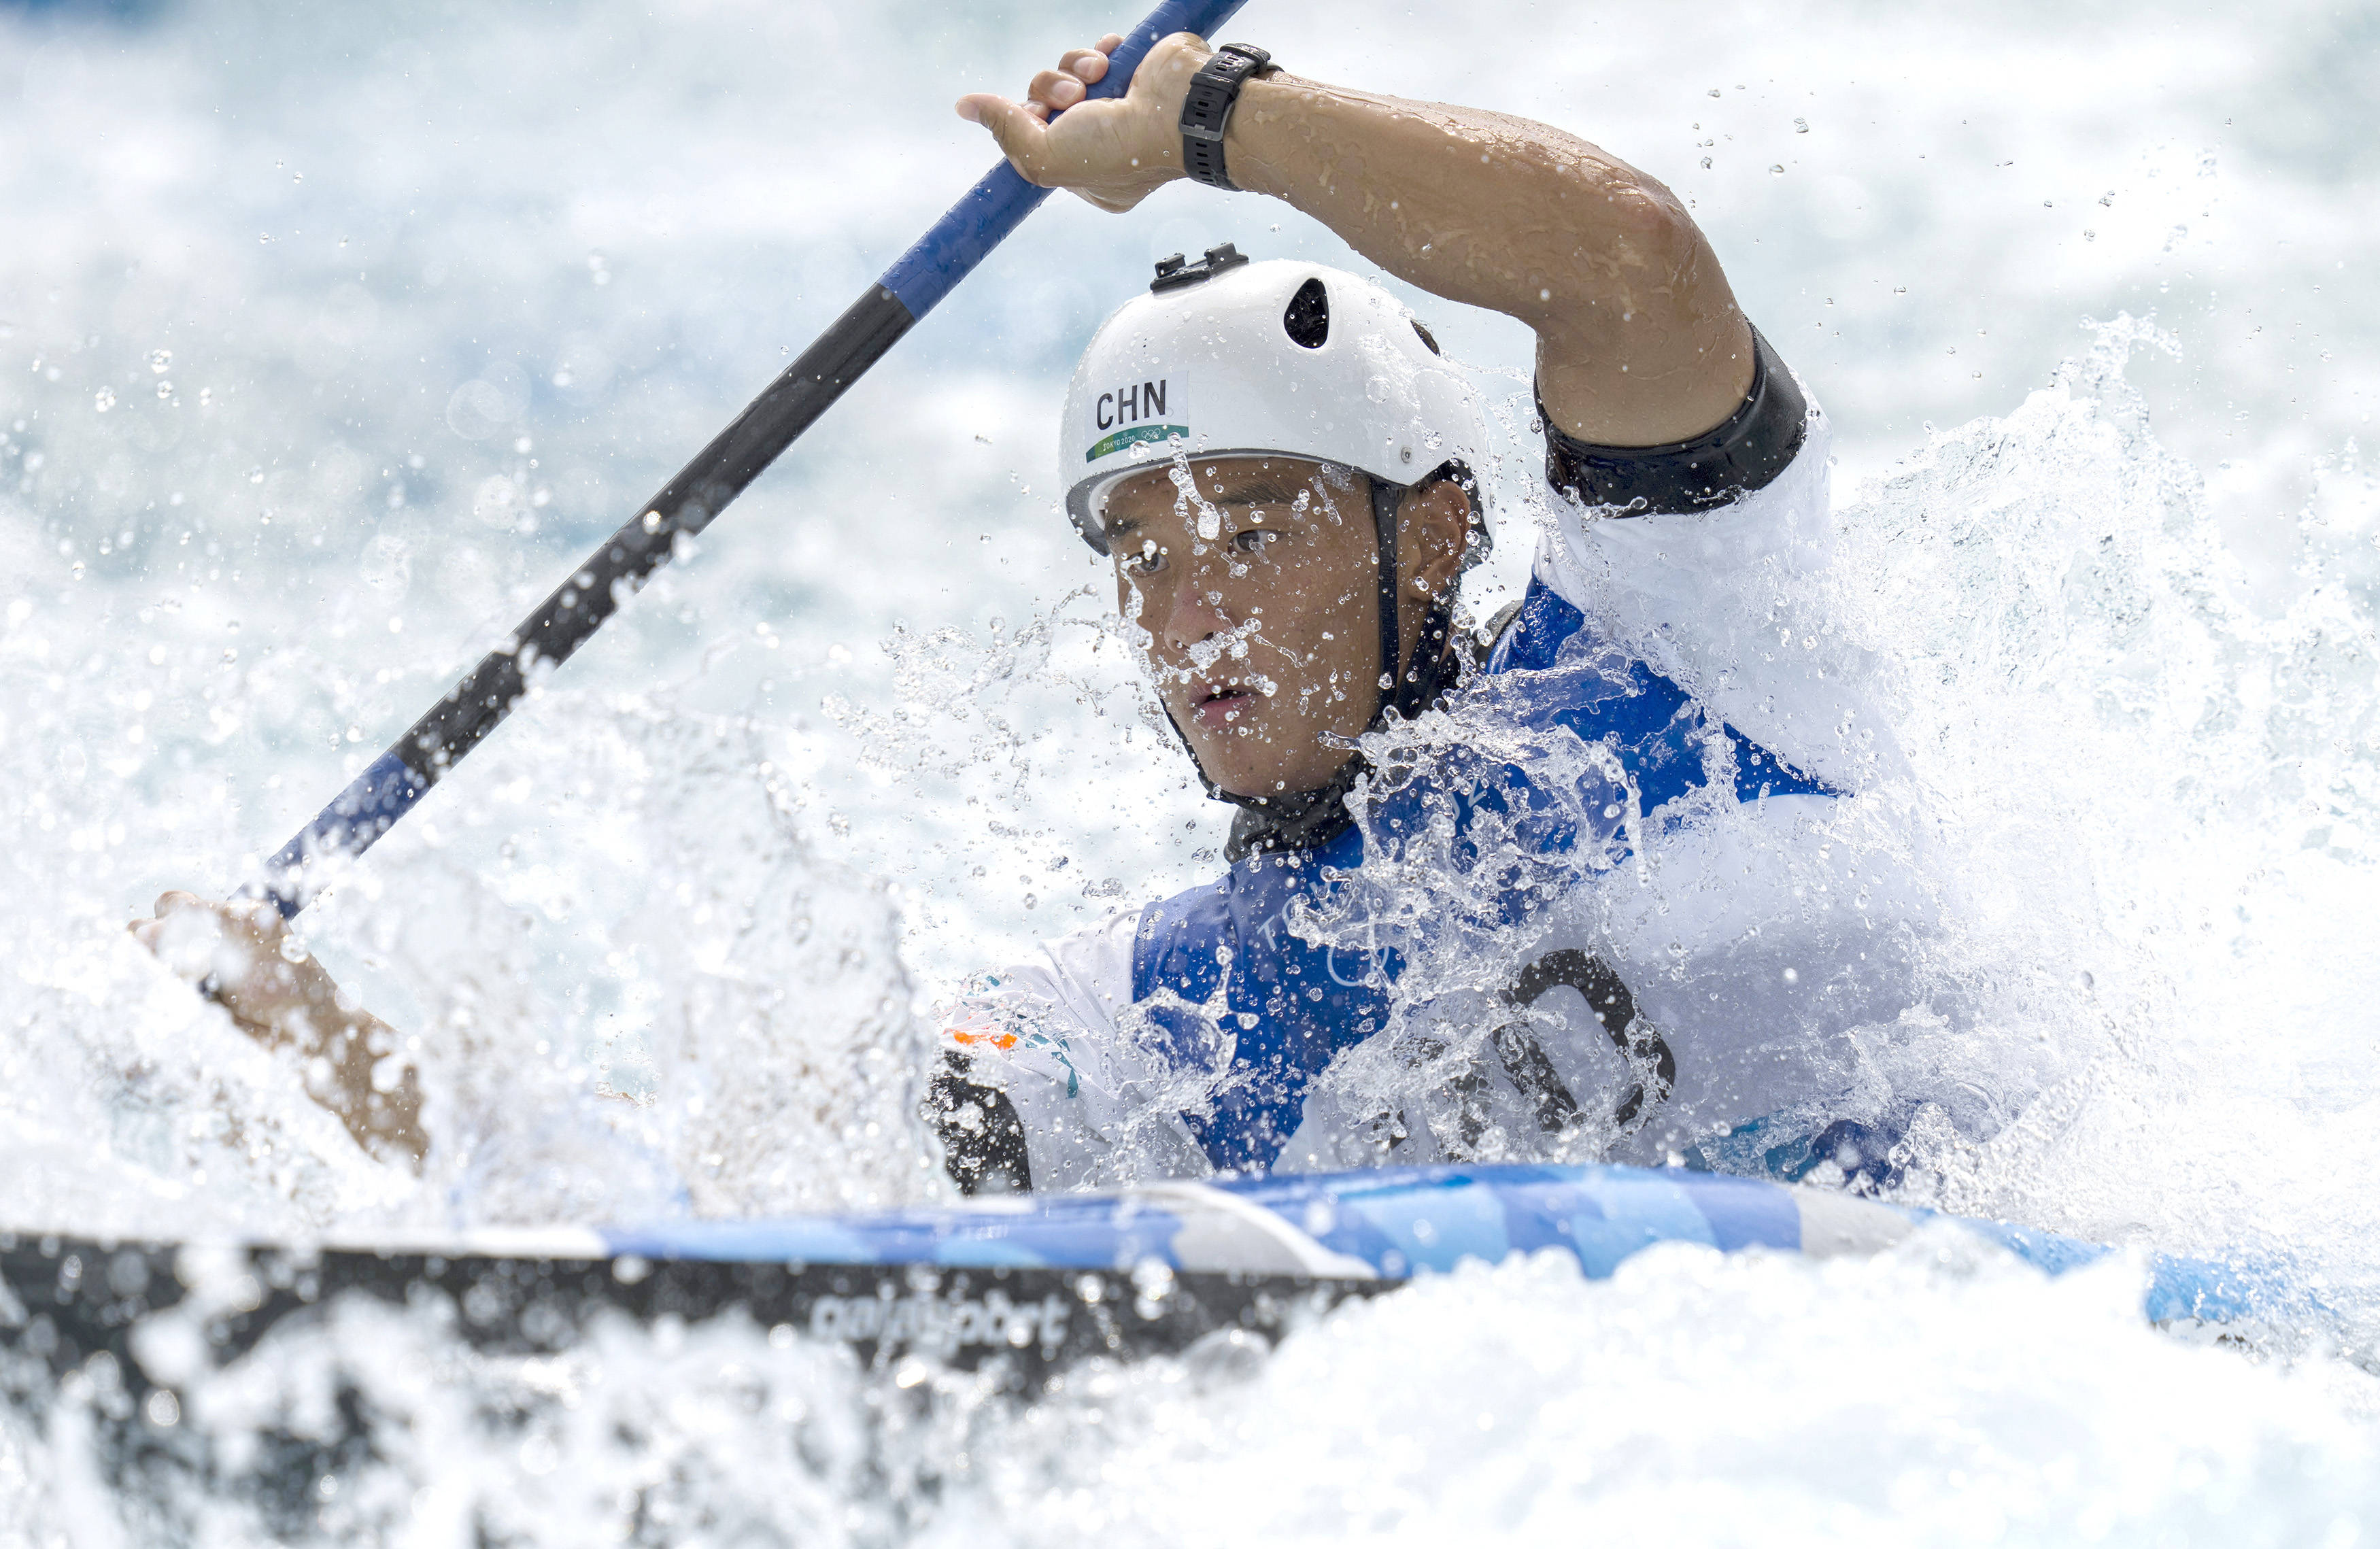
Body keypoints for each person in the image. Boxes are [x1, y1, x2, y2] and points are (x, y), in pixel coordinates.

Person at [135, 32, 1975, 1198]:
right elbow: (727, 1220)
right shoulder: (1150, 1005)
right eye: (1144, 560)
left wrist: (1205, 123)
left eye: (1251, 528)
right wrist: (321, 1043)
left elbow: (1623, 261)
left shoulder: (1688, 648)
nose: (1190, 610)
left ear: (1432, 530)